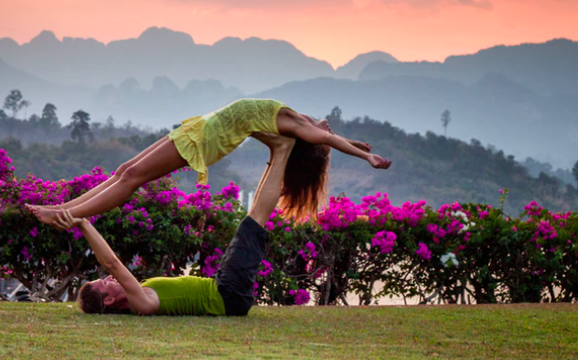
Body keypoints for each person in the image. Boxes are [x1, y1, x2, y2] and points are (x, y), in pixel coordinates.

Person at [29, 98, 390, 229]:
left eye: (328, 136)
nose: (329, 128)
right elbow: (330, 137)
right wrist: (355, 144)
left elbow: (327, 139)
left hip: (205, 140)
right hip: (201, 128)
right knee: (125, 169)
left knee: (133, 178)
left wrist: (366, 156)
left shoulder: (304, 130)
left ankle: (69, 216)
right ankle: (62, 207)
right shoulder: (302, 121)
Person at [67, 132, 302, 316]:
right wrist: (84, 223)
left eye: (104, 277)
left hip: (224, 289)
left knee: (251, 221)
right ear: (108, 300)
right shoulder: (140, 303)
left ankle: (277, 152)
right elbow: (112, 262)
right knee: (254, 222)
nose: (108, 277)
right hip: (227, 295)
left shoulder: (141, 295)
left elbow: (112, 266)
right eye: (104, 282)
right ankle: (283, 149)